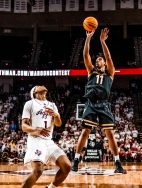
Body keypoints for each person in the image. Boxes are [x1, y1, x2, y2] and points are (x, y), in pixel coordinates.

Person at [71, 28, 126, 174]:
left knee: (110, 133)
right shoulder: (91, 71)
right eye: (97, 59)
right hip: (90, 103)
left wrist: (102, 41)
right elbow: (85, 55)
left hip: (103, 104)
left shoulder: (110, 72)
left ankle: (117, 163)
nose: (98, 60)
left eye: (100, 59)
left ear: (105, 64)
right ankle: (76, 161)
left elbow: (108, 56)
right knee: (85, 131)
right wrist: (88, 38)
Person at [21, 86, 71, 188]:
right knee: (38, 170)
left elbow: (58, 124)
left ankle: (51, 187)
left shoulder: (52, 105)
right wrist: (35, 129)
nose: (42, 86)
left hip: (48, 141)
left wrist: (56, 116)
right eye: (38, 86)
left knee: (67, 166)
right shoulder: (30, 104)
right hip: (35, 140)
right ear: (34, 92)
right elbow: (23, 126)